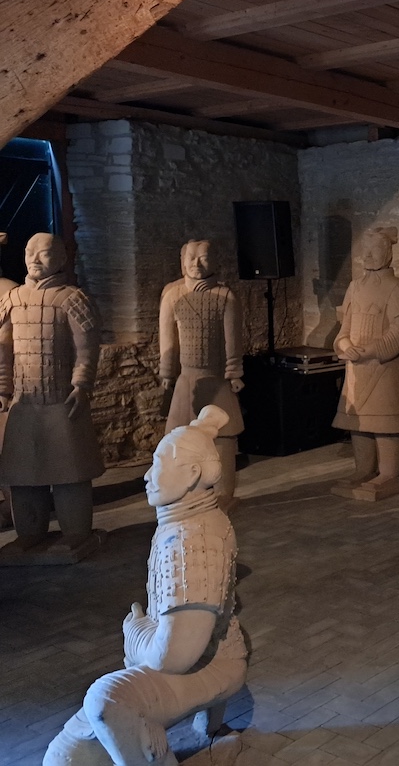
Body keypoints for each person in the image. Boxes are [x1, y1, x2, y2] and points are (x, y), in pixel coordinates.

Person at [44, 405, 247, 766]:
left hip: (212, 663)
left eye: (158, 465)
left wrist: (136, 634)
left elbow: (174, 657)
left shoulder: (191, 541)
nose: (148, 476)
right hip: (194, 658)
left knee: (105, 699)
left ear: (192, 474)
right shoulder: (185, 524)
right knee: (65, 758)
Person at [0, 232, 103, 560]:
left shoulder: (72, 299)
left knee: (69, 473)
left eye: (43, 253)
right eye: (29, 251)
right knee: (23, 475)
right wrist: (3, 387)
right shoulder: (12, 299)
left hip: (62, 401)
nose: (34, 259)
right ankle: (29, 534)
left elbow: (86, 348)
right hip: (24, 402)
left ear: (61, 259)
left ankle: (76, 533)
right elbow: (4, 349)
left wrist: (81, 385)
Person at [331, 225, 399, 500]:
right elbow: (344, 328)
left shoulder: (398, 289)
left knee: (386, 423)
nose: (368, 255)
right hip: (357, 368)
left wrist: (370, 351)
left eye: (374, 250)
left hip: (385, 368)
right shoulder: (355, 287)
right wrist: (345, 345)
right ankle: (363, 469)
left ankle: (389, 473)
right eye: (365, 250)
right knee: (359, 423)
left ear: (388, 253)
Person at [159, 240, 243, 509]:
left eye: (203, 258)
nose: (196, 264)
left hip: (217, 379)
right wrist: (167, 373)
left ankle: (223, 492)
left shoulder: (225, 296)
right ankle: (181, 491)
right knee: (178, 436)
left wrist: (234, 371)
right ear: (182, 261)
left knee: (224, 436)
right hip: (186, 379)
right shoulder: (172, 295)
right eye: (191, 258)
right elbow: (167, 341)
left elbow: (233, 340)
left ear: (215, 261)